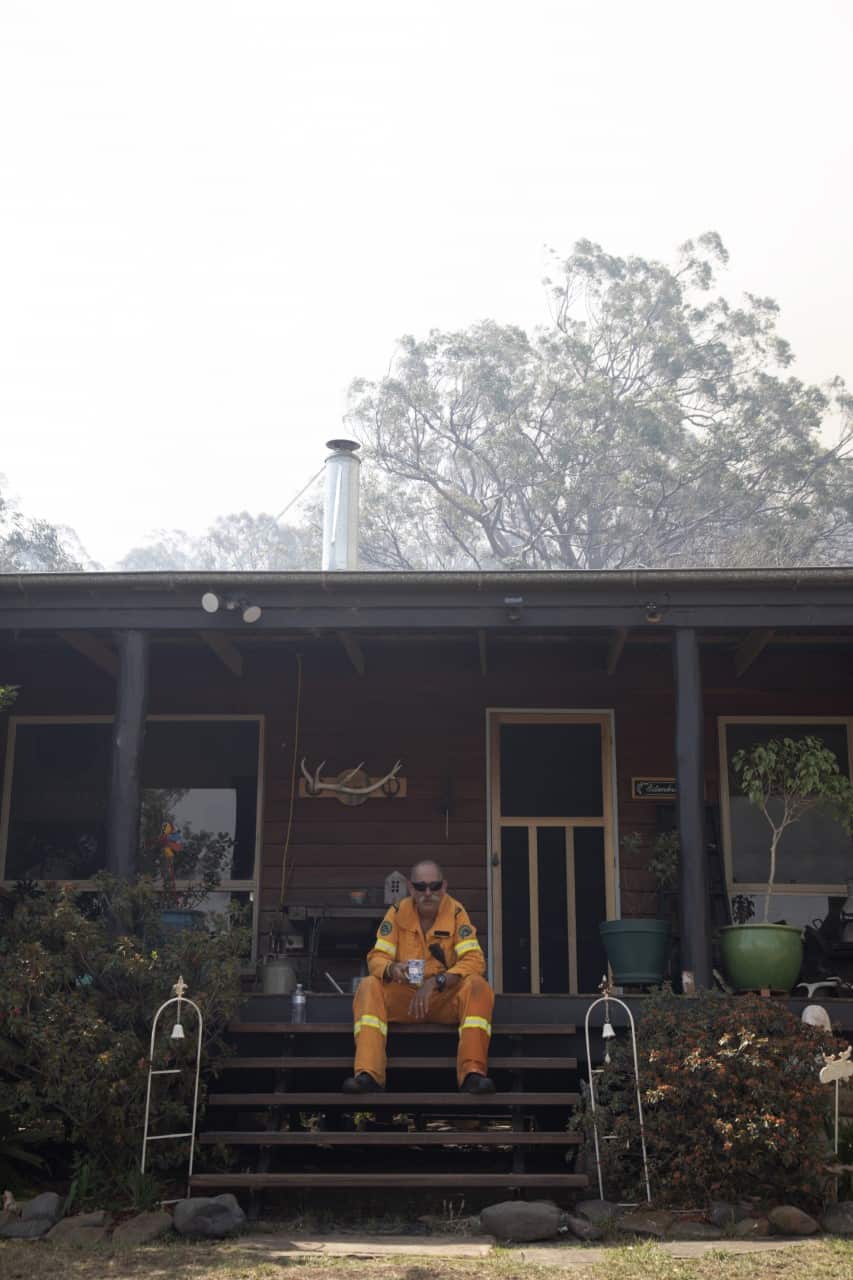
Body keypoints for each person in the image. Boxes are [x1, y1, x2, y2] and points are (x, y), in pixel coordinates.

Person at [342, 859, 496, 1094]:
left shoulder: (456, 912)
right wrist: (392, 969)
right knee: (369, 986)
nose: (427, 893)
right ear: (410, 888)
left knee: (478, 986)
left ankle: (472, 1074)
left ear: (443, 887)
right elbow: (376, 958)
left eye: (434, 887)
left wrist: (438, 981)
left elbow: (475, 960)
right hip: (406, 999)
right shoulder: (396, 912)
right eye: (421, 887)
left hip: (443, 998)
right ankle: (368, 1075)